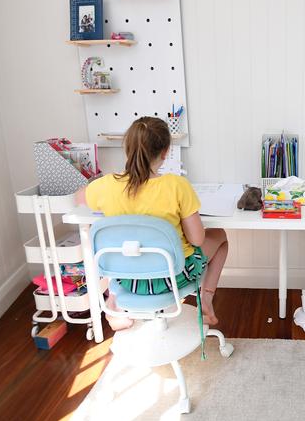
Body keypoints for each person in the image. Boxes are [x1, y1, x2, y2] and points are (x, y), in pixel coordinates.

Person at [78, 116, 228, 330]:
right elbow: (197, 239)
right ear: (166, 151)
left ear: (127, 149)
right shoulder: (177, 185)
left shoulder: (107, 185)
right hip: (172, 277)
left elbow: (78, 198)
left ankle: (117, 306)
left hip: (127, 279)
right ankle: (205, 300)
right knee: (221, 236)